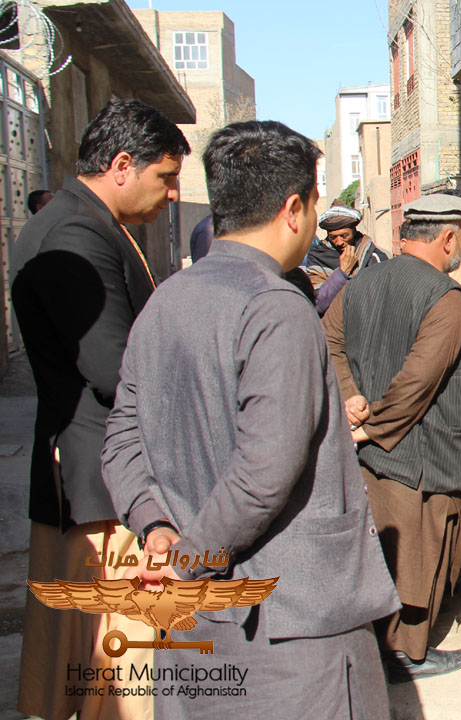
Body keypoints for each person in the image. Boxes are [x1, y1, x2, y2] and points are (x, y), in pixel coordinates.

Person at [101, 120, 399, 718]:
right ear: (294, 208)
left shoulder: (168, 299)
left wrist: (156, 527)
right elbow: (264, 473)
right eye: (316, 204)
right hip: (286, 625)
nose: (316, 220)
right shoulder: (275, 308)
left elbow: (121, 438)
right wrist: (189, 557)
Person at [12, 97, 188, 720]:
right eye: (166, 178)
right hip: (103, 480)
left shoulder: (82, 221)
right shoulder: (77, 232)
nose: (171, 196)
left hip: (89, 467)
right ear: (121, 164)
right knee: (122, 666)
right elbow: (116, 367)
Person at [324, 192, 461, 681]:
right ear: (445, 237)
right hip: (420, 451)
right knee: (421, 553)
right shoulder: (445, 296)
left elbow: (328, 339)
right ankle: (407, 654)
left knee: (392, 550)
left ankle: (392, 645)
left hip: (379, 449)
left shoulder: (362, 281)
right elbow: (418, 383)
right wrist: (371, 425)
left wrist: (351, 396)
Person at [307, 205, 387, 314]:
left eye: (344, 236)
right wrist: (342, 273)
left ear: (354, 232)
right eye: (333, 237)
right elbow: (319, 303)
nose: (339, 242)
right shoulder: (318, 257)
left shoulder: (374, 256)